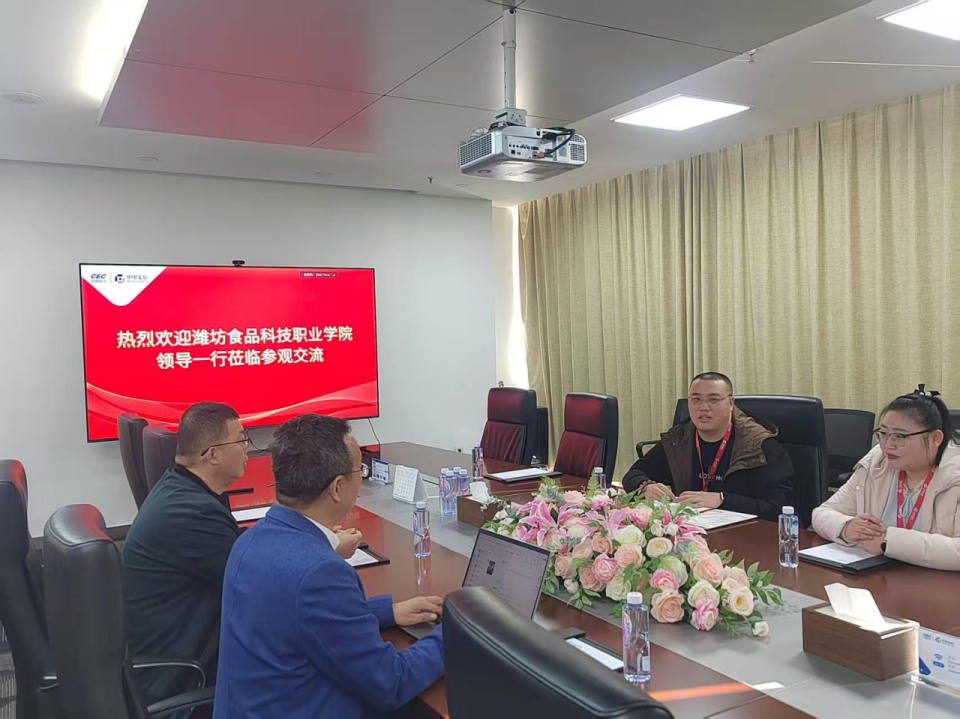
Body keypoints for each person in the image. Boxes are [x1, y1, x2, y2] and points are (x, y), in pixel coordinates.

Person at [122, 402, 364, 708]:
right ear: (212, 455)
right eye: (241, 439)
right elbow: (271, 585)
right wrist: (327, 543)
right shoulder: (190, 514)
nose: (248, 447)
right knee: (345, 678)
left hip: (195, 647)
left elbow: (253, 556)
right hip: (190, 676)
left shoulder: (185, 492)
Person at [214, 414, 444, 719]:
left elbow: (297, 614)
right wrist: (453, 635)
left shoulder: (249, 540)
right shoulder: (320, 573)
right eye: (359, 470)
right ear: (337, 487)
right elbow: (391, 682)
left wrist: (386, 612)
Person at [812, 388, 960, 571]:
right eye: (883, 434)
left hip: (938, 584)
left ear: (935, 438)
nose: (888, 445)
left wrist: (889, 541)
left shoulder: (954, 476)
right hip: (879, 578)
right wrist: (846, 527)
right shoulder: (877, 463)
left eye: (899, 436)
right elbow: (822, 513)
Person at [622, 373, 793, 521]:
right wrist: (646, 487)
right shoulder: (679, 439)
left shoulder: (759, 445)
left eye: (713, 399)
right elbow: (633, 474)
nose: (703, 407)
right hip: (690, 531)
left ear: (731, 403)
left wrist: (722, 500)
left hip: (745, 534)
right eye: (696, 399)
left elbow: (780, 508)